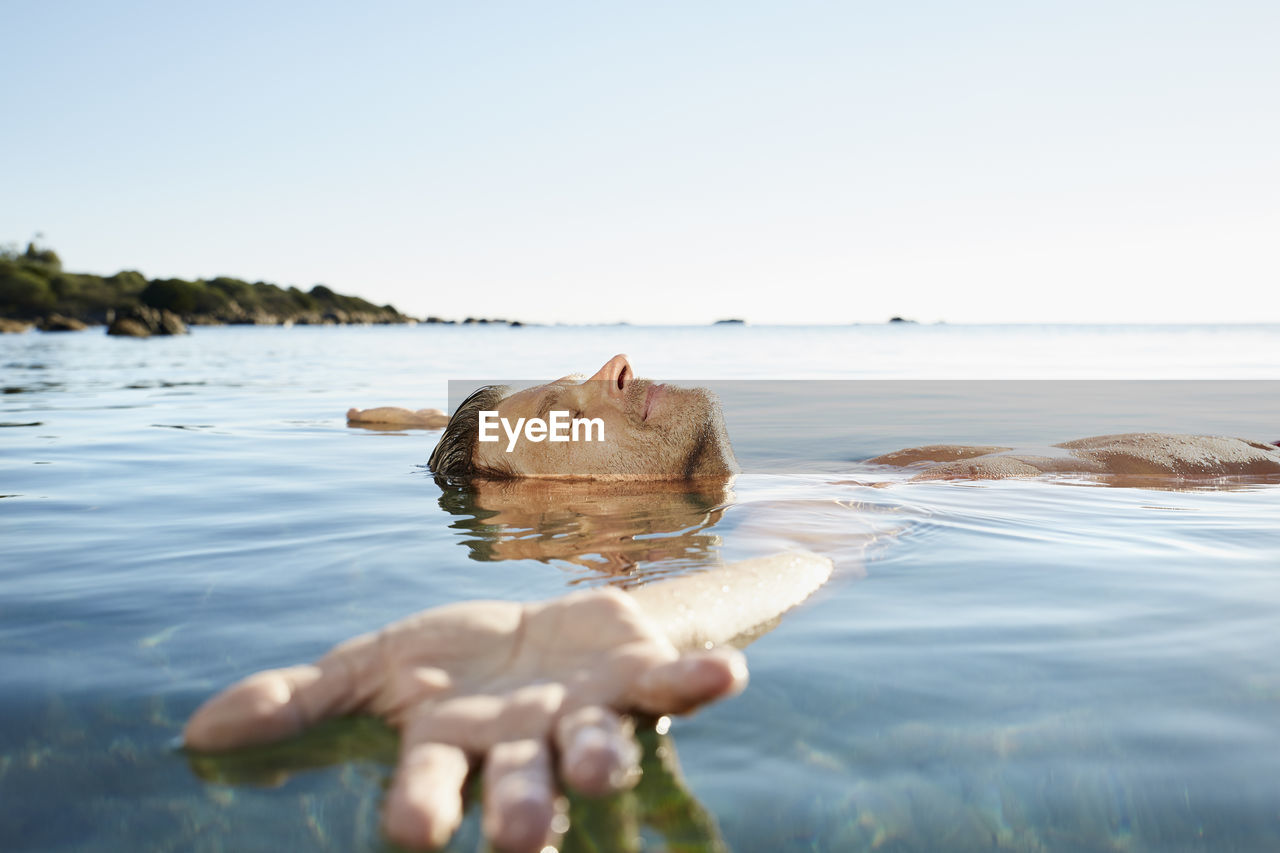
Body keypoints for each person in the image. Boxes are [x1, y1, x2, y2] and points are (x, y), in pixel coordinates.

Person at [193, 354, 1280, 851]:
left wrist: (387, 417)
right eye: (568, 415)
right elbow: (800, 560)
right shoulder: (810, 497)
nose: (611, 372)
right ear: (573, 516)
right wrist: (639, 629)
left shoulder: (804, 463)